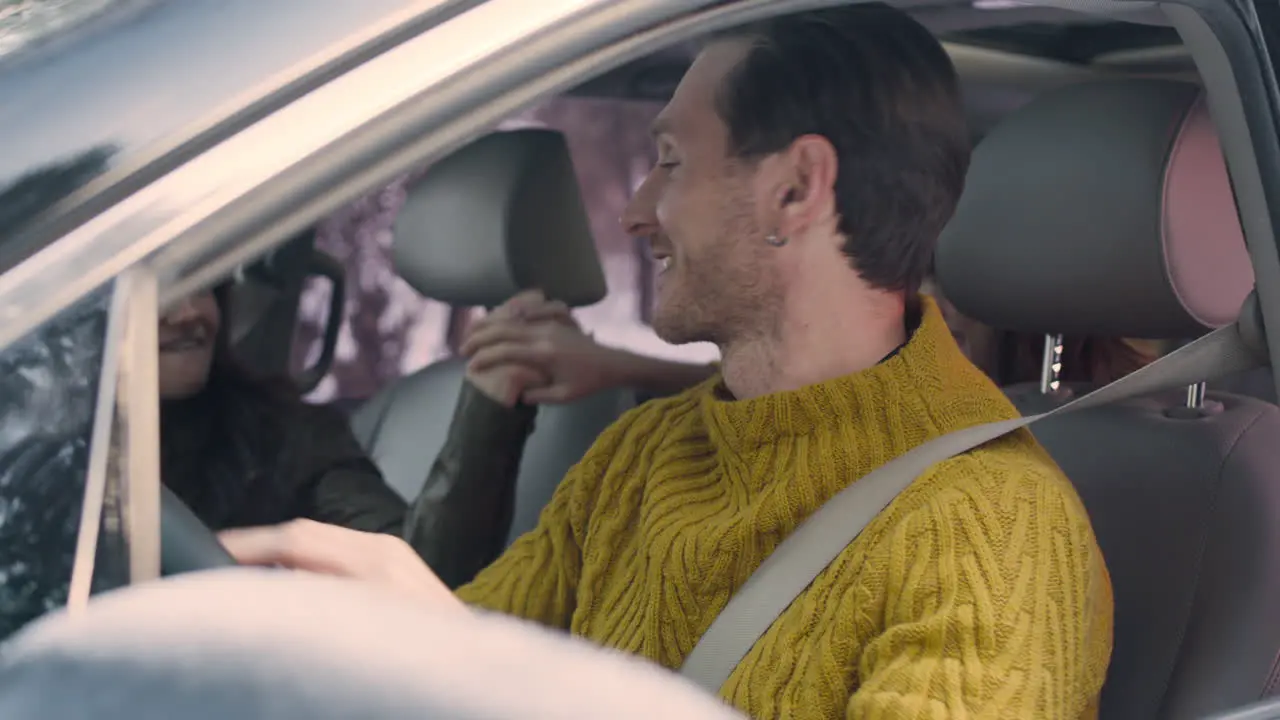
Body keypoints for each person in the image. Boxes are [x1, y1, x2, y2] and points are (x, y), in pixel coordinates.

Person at [221, 6, 1114, 719]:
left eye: (671, 162)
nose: (637, 209)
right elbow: (466, 660)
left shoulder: (996, 531)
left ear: (796, 189)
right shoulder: (642, 454)